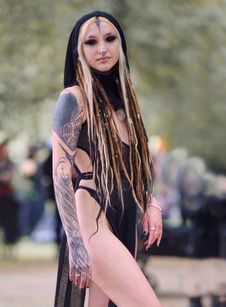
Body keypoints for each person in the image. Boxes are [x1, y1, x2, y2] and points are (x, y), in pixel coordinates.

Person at [52, 11, 162, 307]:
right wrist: (75, 242)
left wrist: (150, 202)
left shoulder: (126, 102)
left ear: (121, 44)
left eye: (110, 38)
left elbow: (137, 162)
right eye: (91, 42)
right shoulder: (73, 98)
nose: (102, 48)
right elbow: (60, 174)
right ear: (78, 51)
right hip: (95, 216)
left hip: (127, 213)